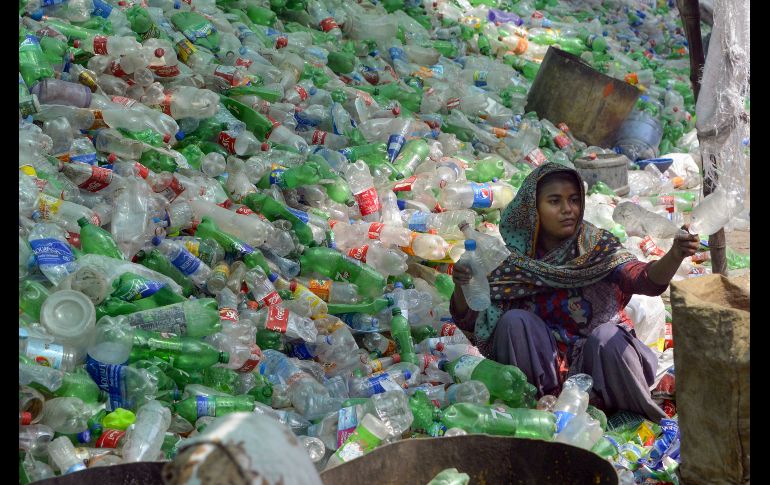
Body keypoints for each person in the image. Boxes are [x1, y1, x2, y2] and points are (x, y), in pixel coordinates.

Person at [450, 163, 699, 421]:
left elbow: (644, 280)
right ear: (533, 210)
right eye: (555, 201)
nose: (568, 209)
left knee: (607, 336)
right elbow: (471, 320)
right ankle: (537, 413)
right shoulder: (513, 264)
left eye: (574, 200)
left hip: (600, 369)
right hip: (542, 373)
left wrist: (676, 254)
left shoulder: (597, 247)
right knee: (514, 322)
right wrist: (462, 285)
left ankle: (631, 416)